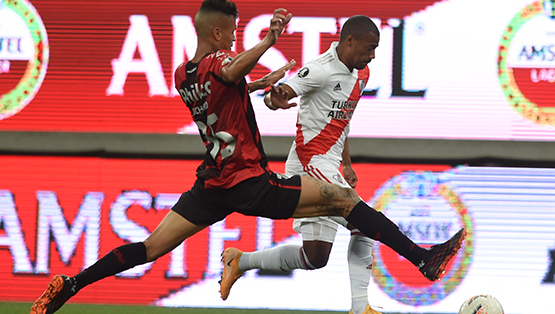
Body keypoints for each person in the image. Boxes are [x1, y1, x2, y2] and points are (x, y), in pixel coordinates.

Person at [30, 1, 466, 313]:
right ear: (218, 33)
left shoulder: (184, 75)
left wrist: (262, 84)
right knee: (345, 202)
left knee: (150, 247)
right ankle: (420, 258)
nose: (236, 39)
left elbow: (226, 85)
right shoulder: (224, 60)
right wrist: (269, 41)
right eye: (233, 32)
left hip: (212, 184)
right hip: (248, 182)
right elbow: (229, 70)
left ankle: (70, 285)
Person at [220, 15, 382, 314]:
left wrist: (346, 162)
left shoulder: (362, 74)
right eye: (370, 47)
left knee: (315, 257)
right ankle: (361, 308)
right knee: (365, 222)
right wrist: (274, 97)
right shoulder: (319, 70)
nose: (372, 55)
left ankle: (239, 261)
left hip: (331, 161)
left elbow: (341, 121)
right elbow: (277, 95)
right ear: (350, 41)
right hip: (310, 160)